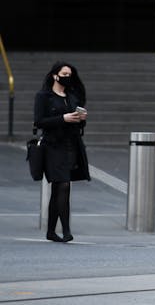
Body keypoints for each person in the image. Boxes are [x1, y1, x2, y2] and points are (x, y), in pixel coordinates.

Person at [34, 62, 90, 243]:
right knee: (64, 184)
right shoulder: (43, 96)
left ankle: (51, 231)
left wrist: (81, 119)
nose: (68, 76)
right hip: (52, 146)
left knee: (59, 188)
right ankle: (66, 230)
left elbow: (79, 124)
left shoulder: (72, 96)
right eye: (64, 73)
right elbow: (39, 121)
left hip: (70, 146)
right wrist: (63, 118)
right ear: (54, 75)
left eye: (70, 74)